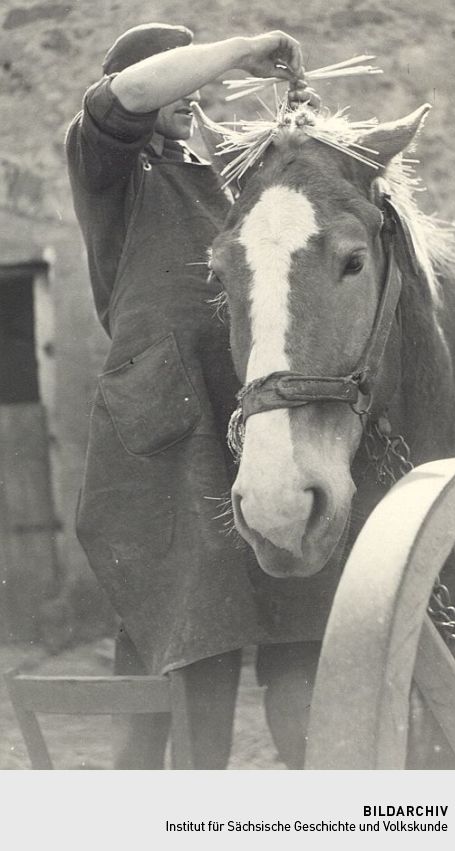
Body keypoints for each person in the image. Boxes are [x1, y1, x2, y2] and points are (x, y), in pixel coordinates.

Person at [66, 22, 332, 769]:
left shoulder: (221, 174)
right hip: (169, 424)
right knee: (187, 636)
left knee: (299, 623)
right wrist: (247, 50)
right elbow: (126, 96)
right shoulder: (103, 164)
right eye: (173, 80)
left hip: (247, 412)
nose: (192, 94)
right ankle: (167, 815)